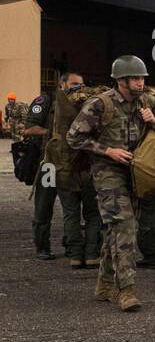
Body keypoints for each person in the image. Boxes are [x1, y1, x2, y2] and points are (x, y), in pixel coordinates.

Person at [65, 55, 155, 312]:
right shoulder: (100, 104)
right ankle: (126, 290)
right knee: (125, 226)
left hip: (138, 172)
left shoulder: (148, 102)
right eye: (135, 79)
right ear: (121, 81)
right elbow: (73, 137)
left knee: (118, 228)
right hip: (107, 172)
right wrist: (107, 151)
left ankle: (104, 285)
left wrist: (154, 120)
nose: (140, 83)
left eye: (142, 78)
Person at [43, 72, 102, 269]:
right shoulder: (93, 106)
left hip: (63, 168)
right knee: (93, 214)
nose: (79, 88)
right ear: (63, 84)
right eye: (76, 84)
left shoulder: (58, 107)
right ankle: (92, 254)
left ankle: (76, 255)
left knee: (71, 214)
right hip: (86, 168)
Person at [19, 87, 57, 260]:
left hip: (72, 165)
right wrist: (53, 135)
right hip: (48, 164)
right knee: (43, 206)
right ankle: (42, 246)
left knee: (74, 209)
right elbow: (29, 128)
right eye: (73, 83)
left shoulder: (81, 102)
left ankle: (74, 246)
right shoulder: (45, 101)